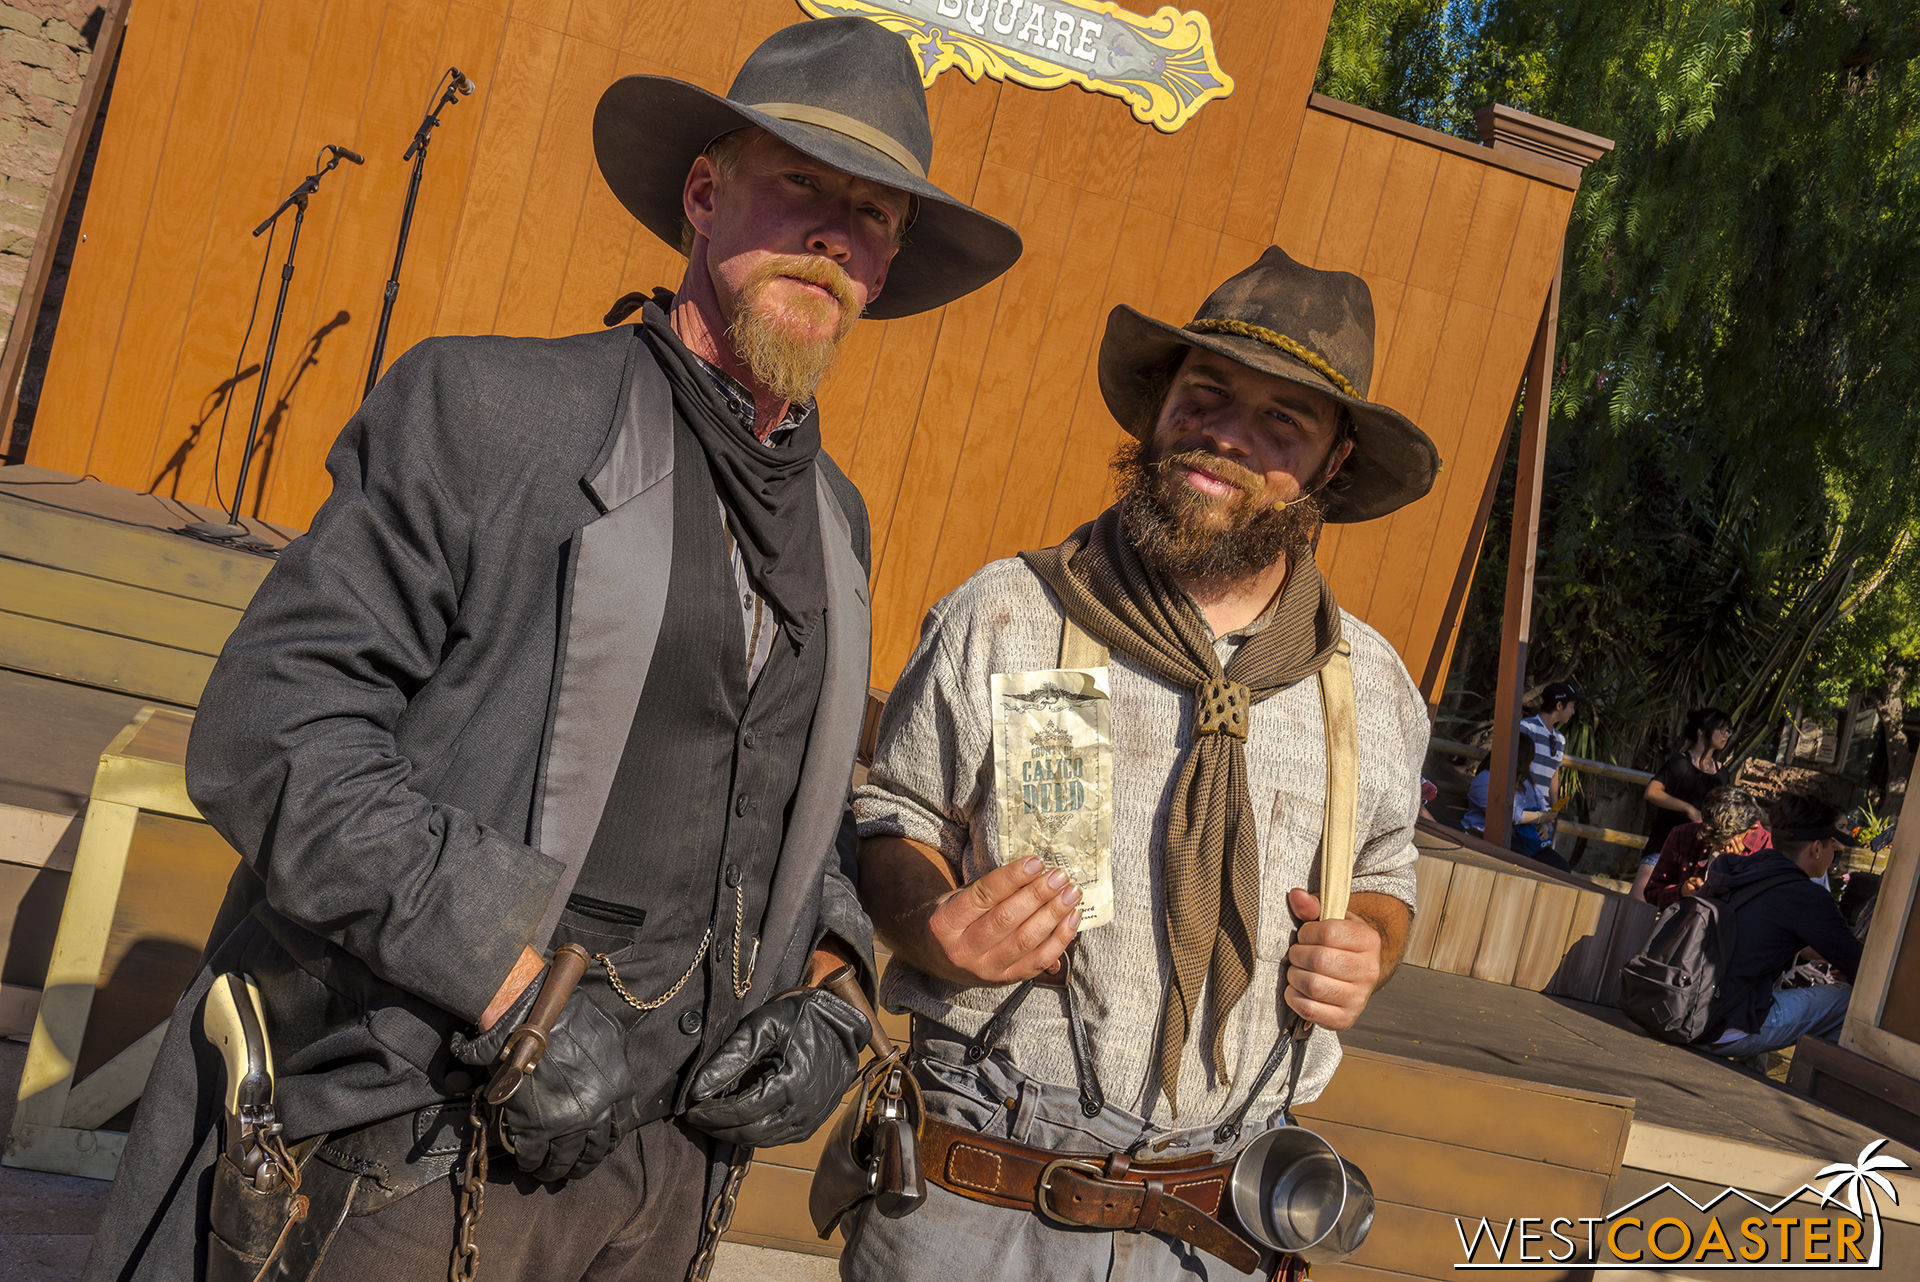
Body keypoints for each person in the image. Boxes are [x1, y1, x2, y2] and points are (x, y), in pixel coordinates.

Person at [81, 20, 1022, 1282]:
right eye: (800, 184)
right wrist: (511, 983)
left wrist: (844, 993)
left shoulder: (839, 521)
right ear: (704, 194)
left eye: (872, 216)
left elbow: (792, 814)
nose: (833, 237)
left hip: (668, 1189)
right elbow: (275, 733)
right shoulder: (486, 411)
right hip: (419, 1145)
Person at [843, 247, 1436, 1279]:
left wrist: (1371, 945)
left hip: (1220, 1209)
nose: (1227, 435)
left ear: (1333, 464)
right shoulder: (1013, 614)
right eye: (1207, 394)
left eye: (1281, 422)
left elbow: (1386, 875)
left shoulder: (1370, 687)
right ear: (1160, 406)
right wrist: (935, 924)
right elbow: (894, 818)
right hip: (978, 1190)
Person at [1695, 795, 1864, 1063]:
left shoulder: (1741, 867)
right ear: (1816, 849)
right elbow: (1859, 965)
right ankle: (1815, 1091)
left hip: (1685, 1008)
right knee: (1849, 1003)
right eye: (1833, 846)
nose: (1834, 855)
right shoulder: (1807, 896)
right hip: (1719, 1030)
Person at [1630, 784, 1771, 908]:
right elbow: (1652, 894)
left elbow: (1766, 909)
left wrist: (1739, 868)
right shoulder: (1684, 834)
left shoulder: (1768, 848)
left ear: (1750, 829)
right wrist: (1681, 891)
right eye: (1710, 841)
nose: (1714, 847)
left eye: (1722, 842)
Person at [1643, 707, 1733, 859]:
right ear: (1702, 731)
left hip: (1697, 854)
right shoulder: (1679, 763)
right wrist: (1688, 808)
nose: (1726, 735)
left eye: (1728, 731)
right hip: (1663, 846)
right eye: (1721, 729)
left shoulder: (1722, 775)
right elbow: (1652, 792)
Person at [1522, 680, 1581, 805]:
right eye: (1572, 706)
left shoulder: (1560, 739)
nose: (1573, 712)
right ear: (1559, 706)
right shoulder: (1527, 727)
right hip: (1523, 808)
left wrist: (1554, 811)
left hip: (1544, 812)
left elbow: (1554, 775)